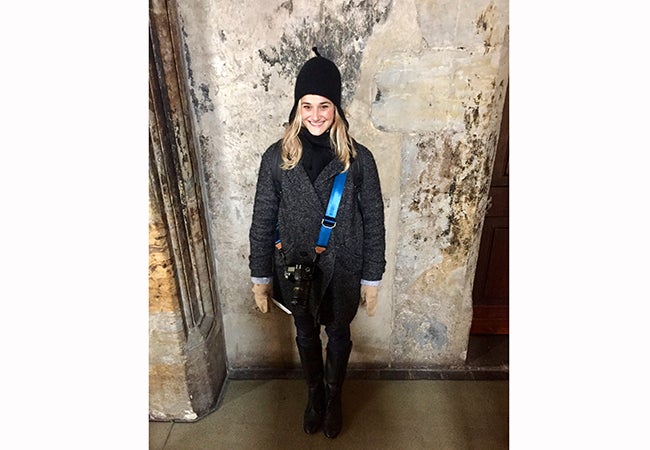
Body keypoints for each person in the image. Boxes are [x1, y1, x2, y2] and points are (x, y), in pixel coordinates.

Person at [248, 47, 386, 439]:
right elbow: (262, 219)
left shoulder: (360, 160)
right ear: (296, 108)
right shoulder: (276, 158)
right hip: (296, 269)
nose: (314, 115)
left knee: (339, 334)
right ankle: (314, 395)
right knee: (306, 334)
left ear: (337, 109)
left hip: (344, 269)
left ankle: (334, 394)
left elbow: (373, 221)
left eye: (324, 105)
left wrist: (371, 278)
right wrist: (260, 276)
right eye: (306, 105)